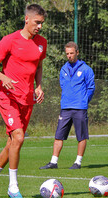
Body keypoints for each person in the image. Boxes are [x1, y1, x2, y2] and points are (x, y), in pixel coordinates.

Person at [0, 4, 47, 198]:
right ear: (26, 19)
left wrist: (39, 86)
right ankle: (13, 186)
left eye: (42, 23)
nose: (40, 27)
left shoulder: (41, 43)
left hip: (27, 99)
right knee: (19, 138)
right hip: (8, 97)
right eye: (37, 23)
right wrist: (4, 78)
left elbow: (38, 65)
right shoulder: (9, 40)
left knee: (12, 142)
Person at [39, 41, 95, 170]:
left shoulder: (86, 69)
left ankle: (78, 162)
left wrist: (84, 101)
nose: (69, 56)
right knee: (59, 135)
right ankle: (53, 162)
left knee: (81, 136)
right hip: (65, 107)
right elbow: (63, 85)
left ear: (77, 53)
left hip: (80, 107)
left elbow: (91, 88)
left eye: (71, 53)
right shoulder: (63, 69)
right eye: (67, 54)